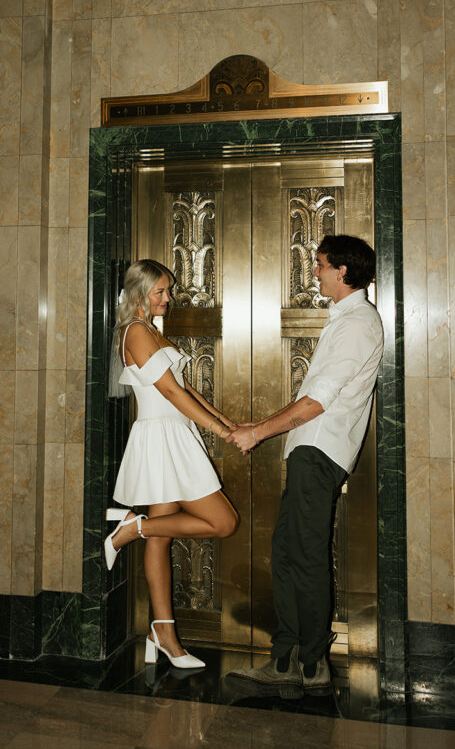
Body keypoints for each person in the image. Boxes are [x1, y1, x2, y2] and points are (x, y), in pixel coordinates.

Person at [225, 235, 384, 698]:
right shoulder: (347, 321)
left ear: (343, 271)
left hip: (320, 452)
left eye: (320, 265)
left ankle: (311, 664)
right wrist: (263, 424)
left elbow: (316, 402)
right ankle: (288, 657)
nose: (315, 272)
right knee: (291, 553)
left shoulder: (357, 324)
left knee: (306, 558)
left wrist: (257, 433)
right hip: (312, 451)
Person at [105, 259, 238, 670]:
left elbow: (186, 389)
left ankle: (163, 633)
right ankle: (133, 527)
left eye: (168, 290)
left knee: (161, 539)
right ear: (140, 293)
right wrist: (219, 430)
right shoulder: (135, 332)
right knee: (223, 522)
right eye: (160, 291)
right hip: (162, 436)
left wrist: (226, 421)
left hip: (172, 435)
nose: (169, 298)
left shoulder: (149, 331)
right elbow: (171, 394)